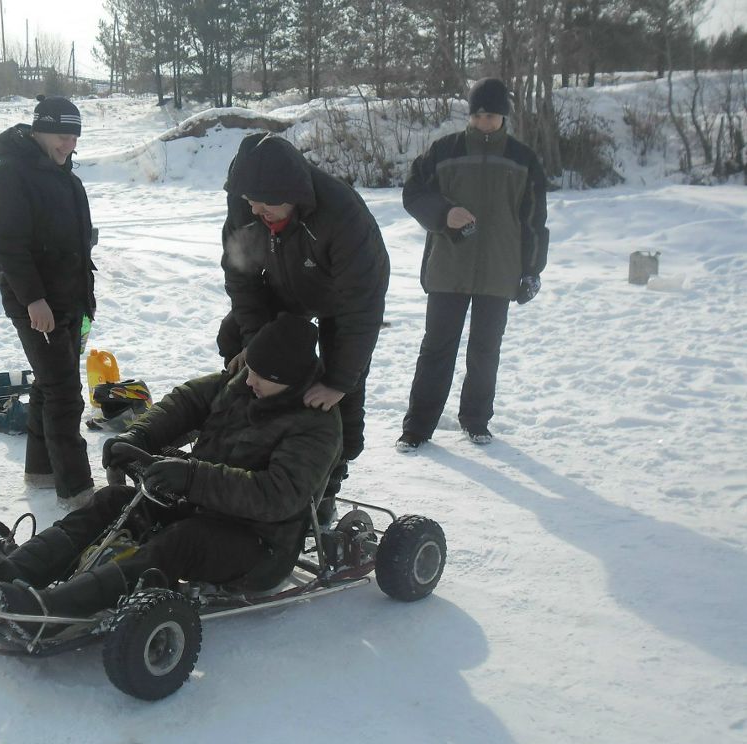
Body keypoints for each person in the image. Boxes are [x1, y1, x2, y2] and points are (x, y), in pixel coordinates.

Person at [0, 313, 342, 622]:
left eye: (261, 376)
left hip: (259, 544)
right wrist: (137, 437)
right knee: (114, 501)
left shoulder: (315, 424)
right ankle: (9, 574)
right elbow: (185, 403)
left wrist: (192, 478)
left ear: (289, 381)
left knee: (180, 541)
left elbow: (277, 496)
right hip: (199, 506)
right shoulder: (242, 383)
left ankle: (51, 609)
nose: (248, 378)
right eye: (250, 368)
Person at [216, 132, 390, 523]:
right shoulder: (247, 206)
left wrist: (340, 381)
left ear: (292, 193)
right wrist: (256, 345)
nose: (257, 210)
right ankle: (258, 441)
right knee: (235, 338)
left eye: (266, 203)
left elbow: (361, 307)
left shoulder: (342, 216)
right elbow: (241, 278)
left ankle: (329, 479)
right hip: (285, 280)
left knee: (337, 382)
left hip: (342, 293)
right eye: (251, 202)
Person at [396, 77, 549, 452]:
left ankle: (476, 420)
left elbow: (534, 221)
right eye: (477, 115)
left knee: (485, 351)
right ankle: (417, 427)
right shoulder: (444, 151)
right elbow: (414, 192)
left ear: (504, 116)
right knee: (436, 349)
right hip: (448, 267)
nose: (483, 122)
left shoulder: (523, 159)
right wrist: (443, 214)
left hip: (499, 270)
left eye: (491, 116)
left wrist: (531, 270)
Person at [0, 95, 96, 508]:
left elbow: (78, 245)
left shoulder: (65, 177)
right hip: (38, 305)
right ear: (39, 131)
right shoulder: (10, 175)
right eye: (61, 136)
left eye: (74, 137)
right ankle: (78, 491)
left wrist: (85, 301)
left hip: (70, 301)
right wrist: (34, 299)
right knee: (64, 393)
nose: (69, 144)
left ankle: (41, 470)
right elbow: (8, 245)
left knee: (50, 386)